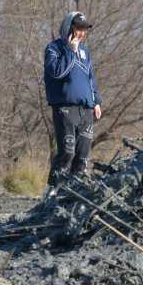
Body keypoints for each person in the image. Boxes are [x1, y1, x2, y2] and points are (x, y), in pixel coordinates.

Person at [43, 11, 102, 193]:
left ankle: (75, 191)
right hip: (65, 108)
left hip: (86, 110)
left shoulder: (85, 51)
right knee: (67, 152)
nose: (82, 34)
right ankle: (54, 189)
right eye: (78, 29)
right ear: (69, 28)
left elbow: (90, 78)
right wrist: (70, 51)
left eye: (84, 30)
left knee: (83, 155)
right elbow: (57, 73)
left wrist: (96, 101)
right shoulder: (54, 48)